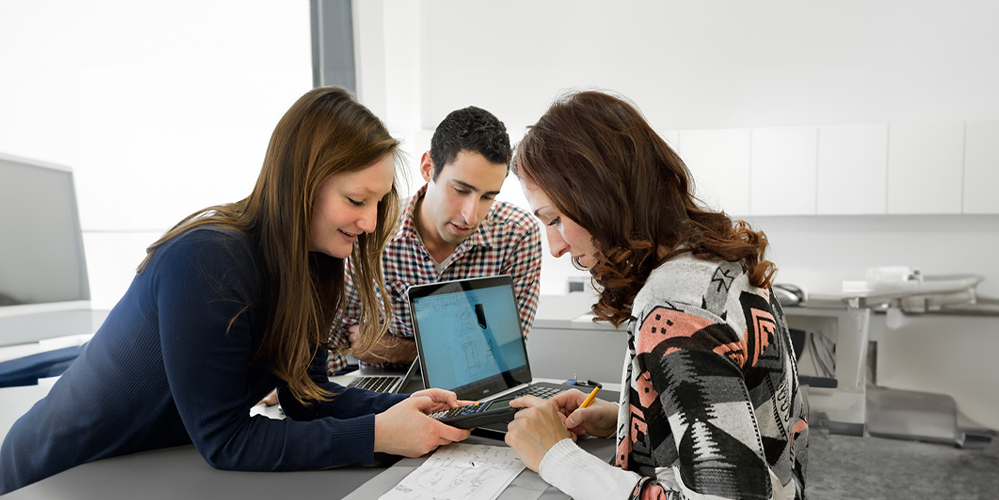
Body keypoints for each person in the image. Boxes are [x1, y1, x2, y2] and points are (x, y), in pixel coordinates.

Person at [0, 87, 472, 494]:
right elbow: (225, 440)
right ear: (301, 184)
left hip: (141, 468)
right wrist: (374, 435)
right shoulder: (209, 258)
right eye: (355, 200)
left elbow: (305, 396)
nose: (370, 223)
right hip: (56, 474)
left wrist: (405, 409)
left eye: (378, 202)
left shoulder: (314, 264)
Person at [503, 90, 809, 500]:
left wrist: (555, 457)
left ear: (600, 197)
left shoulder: (676, 311)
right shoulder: (718, 263)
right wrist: (630, 420)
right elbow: (740, 427)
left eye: (555, 219)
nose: (555, 246)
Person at [323, 105, 542, 375]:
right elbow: (337, 341)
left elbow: (504, 358)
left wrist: (399, 349)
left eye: (488, 197)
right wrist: (296, 382)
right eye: (461, 190)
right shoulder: (372, 228)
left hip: (474, 393)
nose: (470, 215)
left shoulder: (518, 234)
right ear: (428, 167)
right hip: (387, 394)